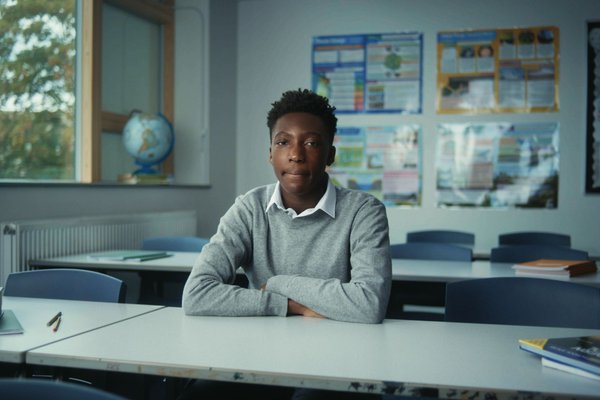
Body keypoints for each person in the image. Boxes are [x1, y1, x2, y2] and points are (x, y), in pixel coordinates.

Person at [180, 88, 391, 399]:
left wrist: (279, 284)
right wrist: (289, 305)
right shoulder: (249, 207)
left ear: (330, 155)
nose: (296, 154)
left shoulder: (364, 211)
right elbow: (196, 295)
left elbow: (369, 304)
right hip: (260, 351)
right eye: (283, 142)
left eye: (311, 143)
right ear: (270, 153)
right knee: (197, 394)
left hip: (338, 357)